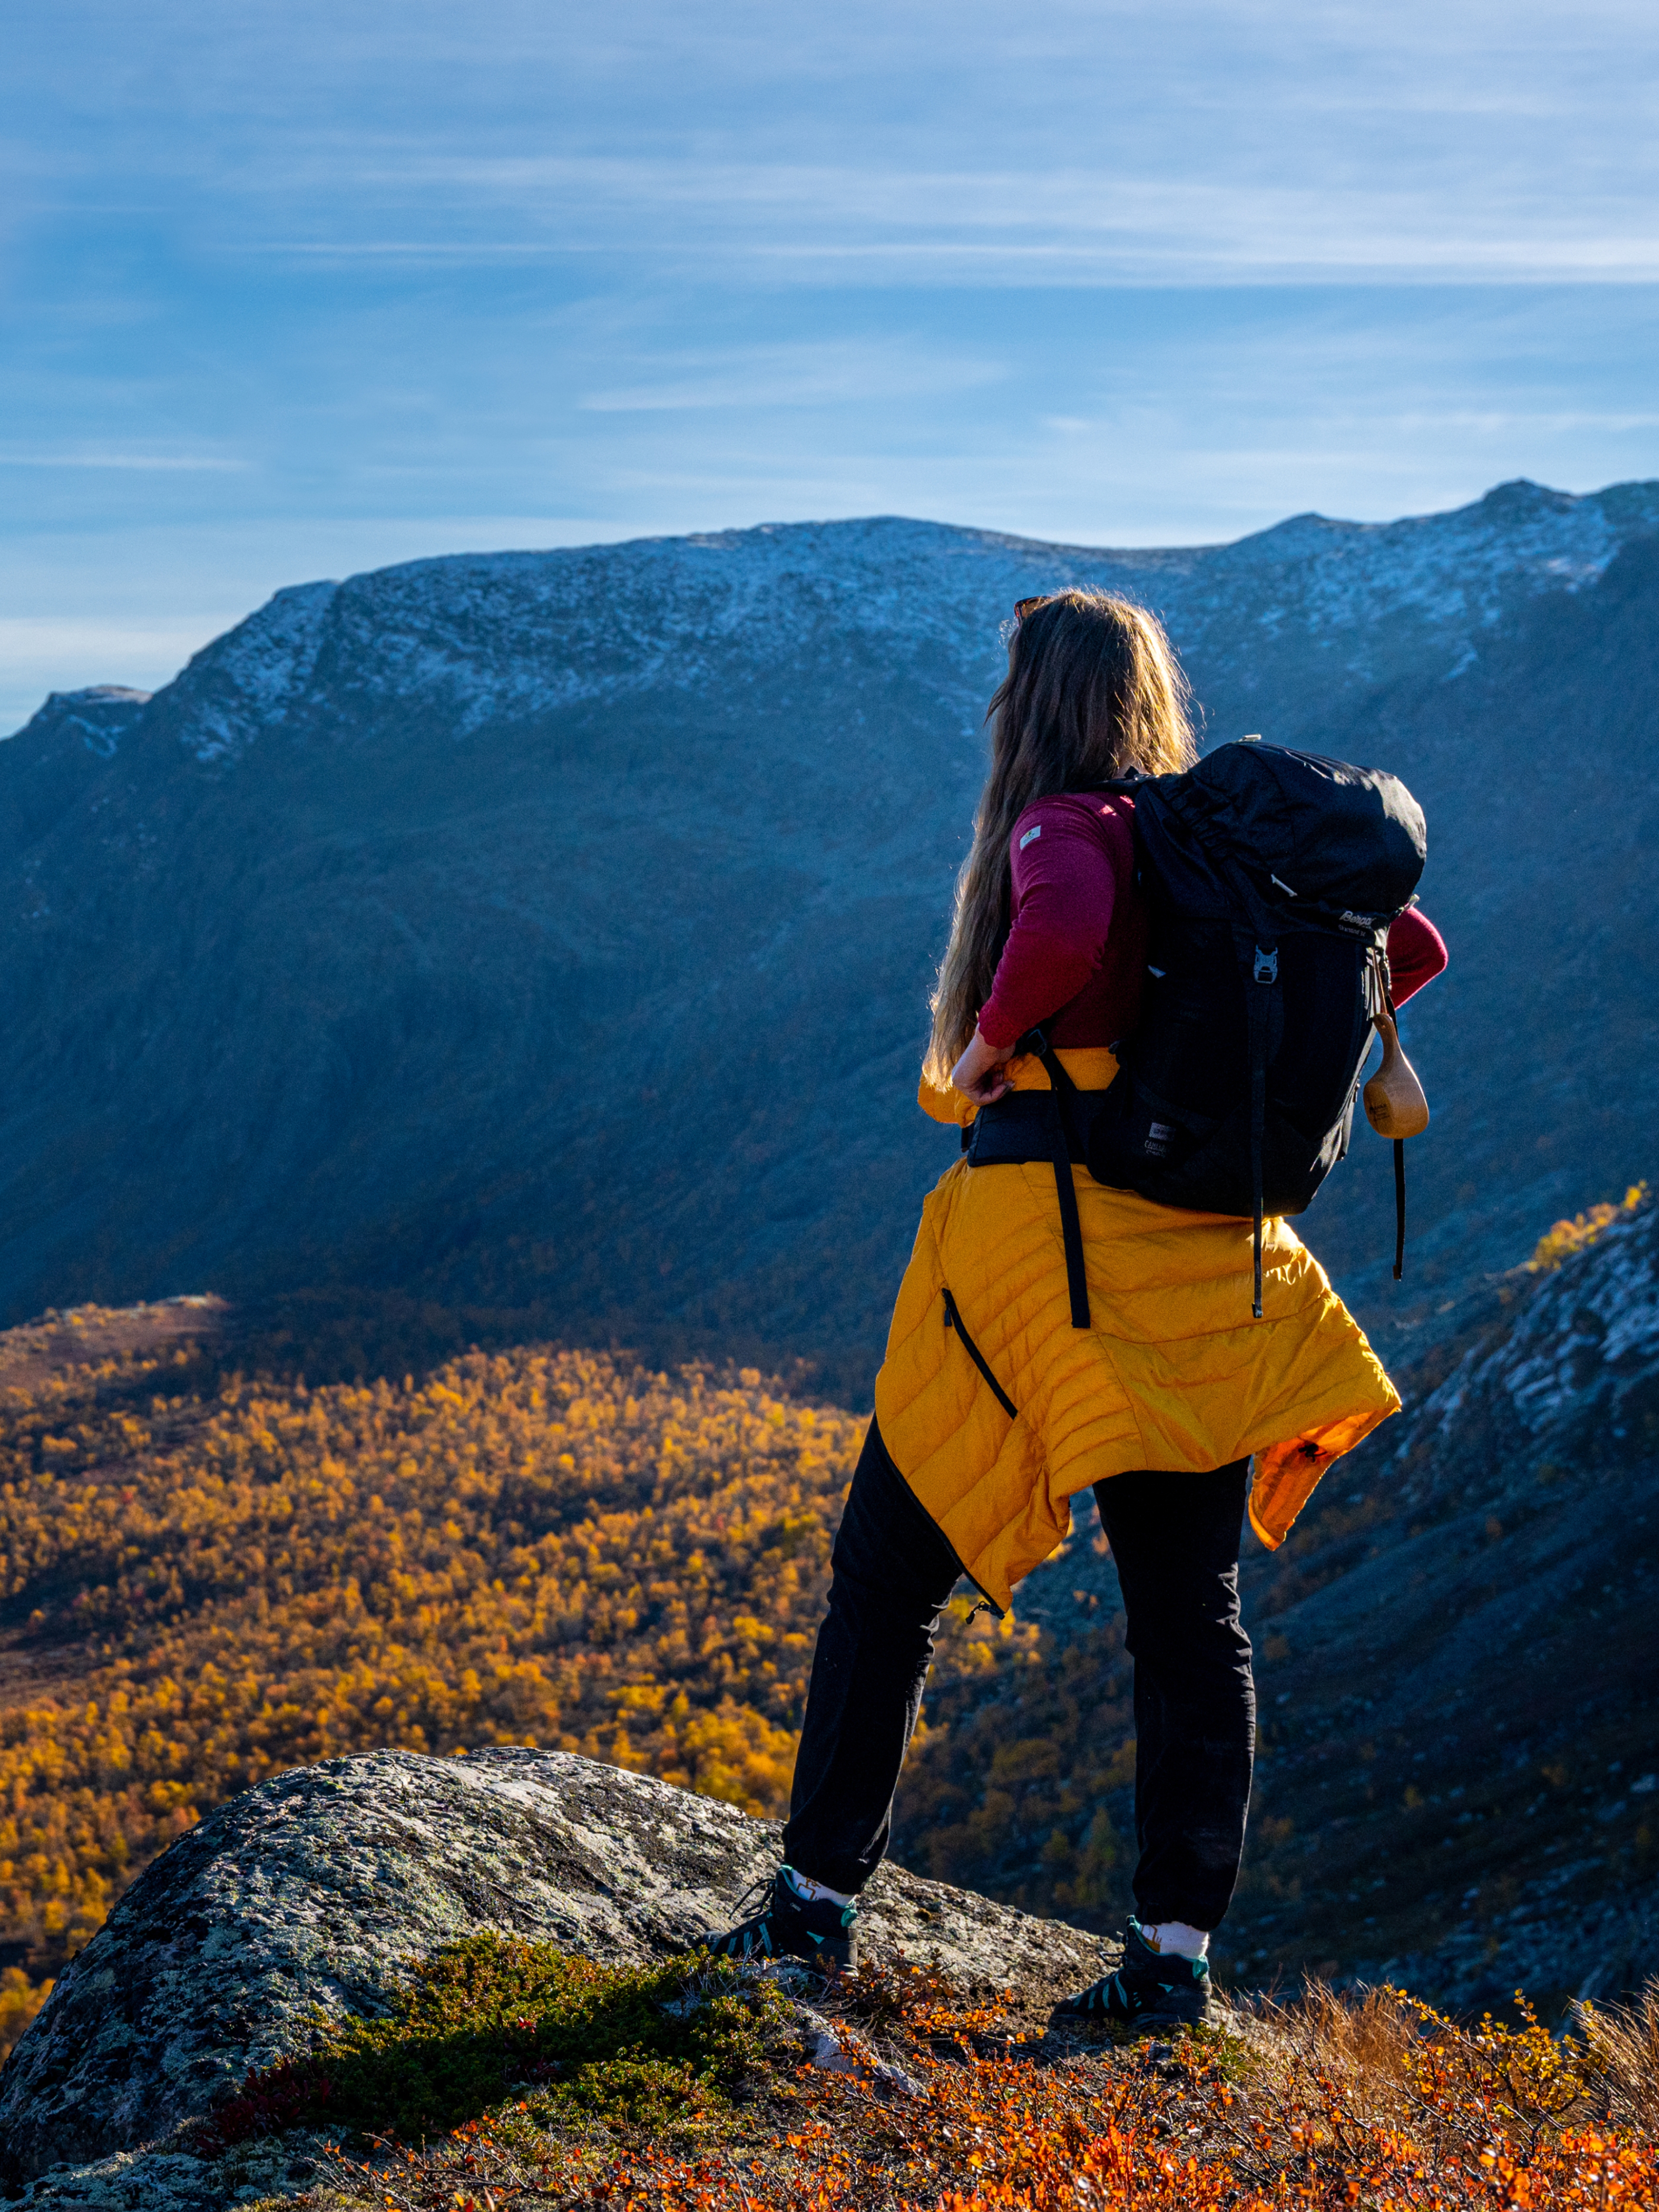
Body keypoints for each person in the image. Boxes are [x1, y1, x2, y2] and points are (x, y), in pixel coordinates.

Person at [702, 590, 1447, 2030]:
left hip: (1043, 1276)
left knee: (887, 1585)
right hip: (1209, 1275)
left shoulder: (1071, 832)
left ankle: (810, 1913)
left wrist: (986, 1050)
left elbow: (1063, 930)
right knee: (1189, 1619)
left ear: (1029, 708)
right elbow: (1406, 949)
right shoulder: (1225, 848)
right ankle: (1173, 1957)